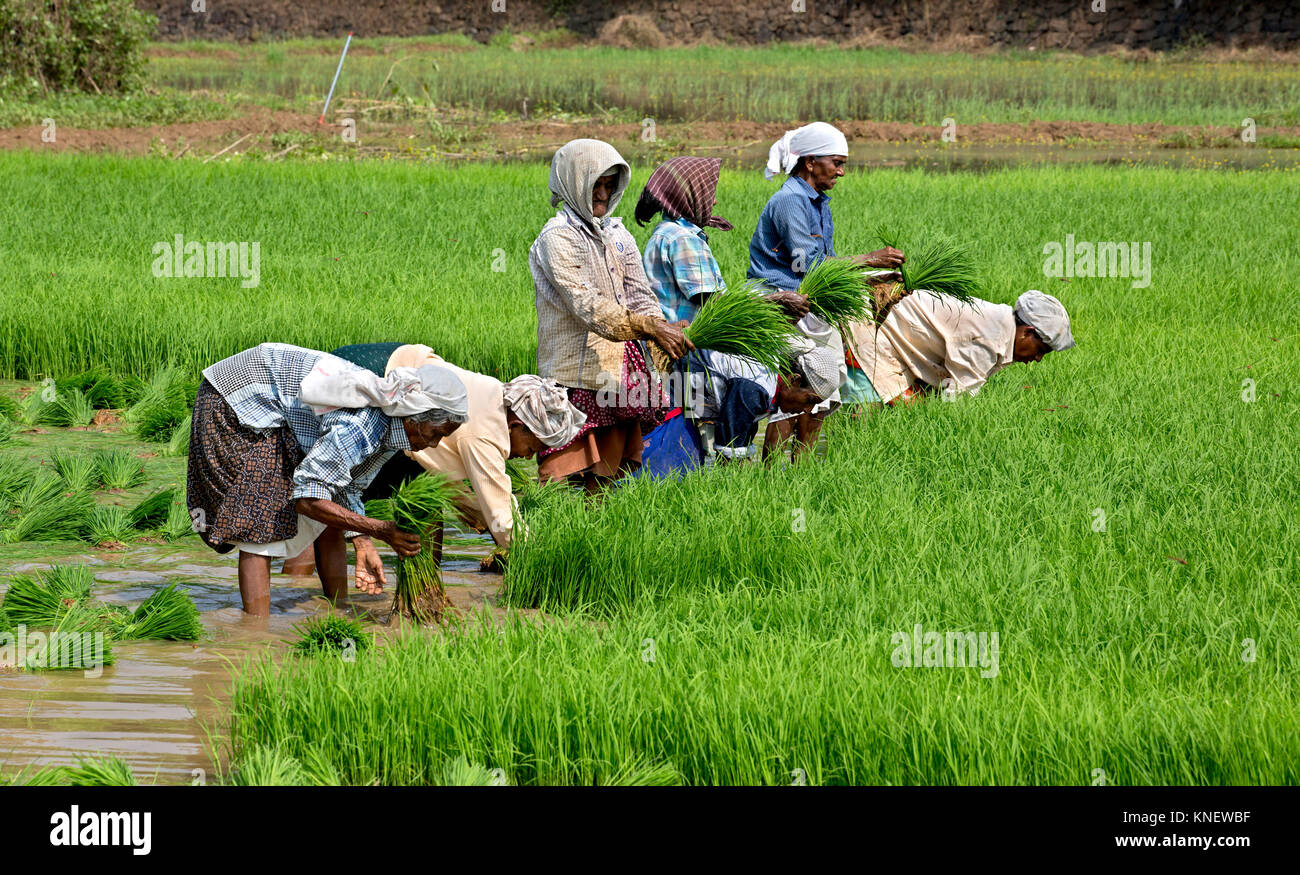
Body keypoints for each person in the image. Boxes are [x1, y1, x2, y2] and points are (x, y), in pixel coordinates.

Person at [186, 342, 468, 616]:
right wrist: (380, 529)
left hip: (272, 399)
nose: (434, 444)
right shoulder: (360, 425)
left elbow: (346, 487)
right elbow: (308, 500)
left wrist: (363, 541)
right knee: (261, 521)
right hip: (236, 398)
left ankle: (339, 608)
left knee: (331, 504)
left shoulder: (393, 432)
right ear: (413, 416)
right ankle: (256, 635)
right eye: (436, 433)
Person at [529, 138, 692, 492]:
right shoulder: (557, 237)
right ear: (574, 183)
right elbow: (586, 304)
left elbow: (640, 294)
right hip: (574, 372)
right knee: (558, 474)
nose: (602, 193)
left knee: (605, 475)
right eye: (595, 185)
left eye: (608, 185)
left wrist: (661, 327)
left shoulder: (618, 234)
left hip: (619, 370)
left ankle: (591, 535)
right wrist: (649, 327)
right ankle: (536, 539)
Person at [747, 121, 906, 457]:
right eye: (837, 162)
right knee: (795, 389)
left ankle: (803, 466)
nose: (842, 172)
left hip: (812, 308)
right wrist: (868, 259)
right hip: (784, 306)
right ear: (810, 162)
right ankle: (771, 472)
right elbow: (808, 266)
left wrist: (874, 279)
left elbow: (827, 264)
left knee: (823, 388)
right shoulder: (790, 201)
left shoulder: (818, 202)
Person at [636, 155, 787, 461]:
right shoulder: (682, 239)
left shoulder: (670, 233)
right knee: (752, 380)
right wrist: (773, 302)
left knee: (692, 432)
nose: (715, 201)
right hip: (685, 351)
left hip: (674, 350)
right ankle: (731, 458)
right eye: (709, 192)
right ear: (688, 195)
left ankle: (723, 459)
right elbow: (716, 306)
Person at [845, 289, 1076, 404]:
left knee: (912, 404)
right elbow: (957, 402)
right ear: (1028, 333)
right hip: (873, 327)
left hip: (899, 338)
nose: (1037, 359)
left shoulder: (1001, 327)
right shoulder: (989, 337)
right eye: (1041, 351)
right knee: (864, 412)